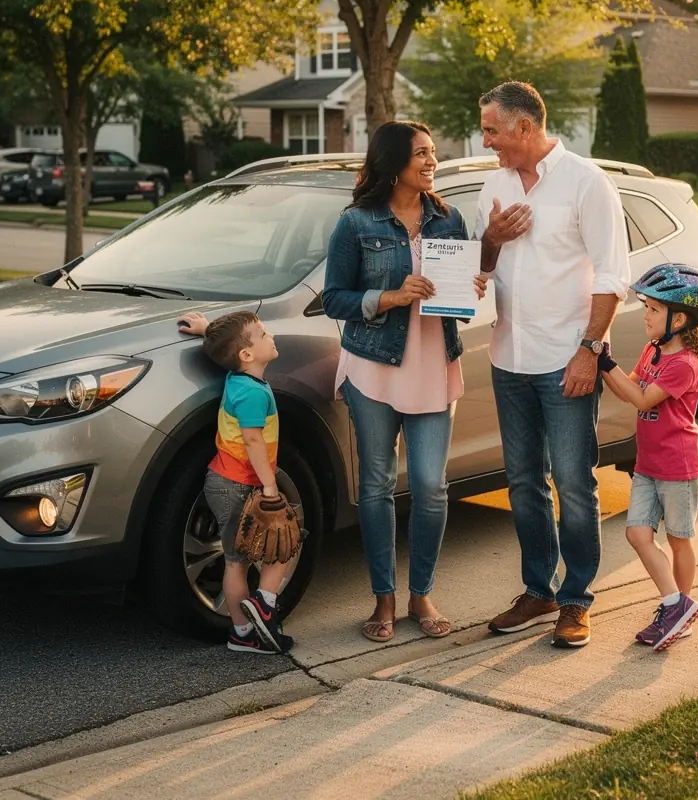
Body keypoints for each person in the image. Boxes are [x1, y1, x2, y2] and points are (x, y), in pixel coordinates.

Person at [476, 81, 631, 649]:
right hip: (508, 355)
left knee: (573, 481)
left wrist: (589, 351)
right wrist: (490, 240)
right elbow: (481, 271)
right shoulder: (493, 185)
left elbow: (613, 276)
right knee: (522, 483)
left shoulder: (586, 183)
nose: (486, 139)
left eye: (492, 129)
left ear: (524, 127)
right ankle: (538, 591)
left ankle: (575, 599)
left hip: (568, 360)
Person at [323, 121, 486, 643]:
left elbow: (457, 300)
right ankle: (383, 599)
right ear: (394, 161)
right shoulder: (355, 222)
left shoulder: (448, 218)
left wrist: (472, 286)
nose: (431, 161)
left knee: (432, 488)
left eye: (434, 152)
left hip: (434, 367)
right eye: (421, 153)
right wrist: (390, 296)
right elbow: (334, 300)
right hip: (373, 368)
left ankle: (421, 594)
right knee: (375, 486)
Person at [598, 263, 698, 651]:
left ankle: (677, 612)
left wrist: (605, 362)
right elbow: (629, 386)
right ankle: (676, 605)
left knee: (679, 540)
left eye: (652, 308)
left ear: (678, 318)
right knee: (637, 534)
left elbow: (642, 399)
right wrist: (603, 364)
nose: (646, 314)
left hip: (678, 466)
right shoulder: (653, 351)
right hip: (649, 463)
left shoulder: (685, 364)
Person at [176, 309, 295, 654]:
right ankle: (264, 604)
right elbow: (253, 440)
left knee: (235, 560)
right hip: (239, 485)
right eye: (263, 334)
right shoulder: (254, 393)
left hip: (223, 482)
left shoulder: (238, 378)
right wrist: (269, 485)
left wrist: (206, 330)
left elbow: (227, 342)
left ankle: (243, 634)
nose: (270, 336)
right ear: (246, 355)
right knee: (280, 544)